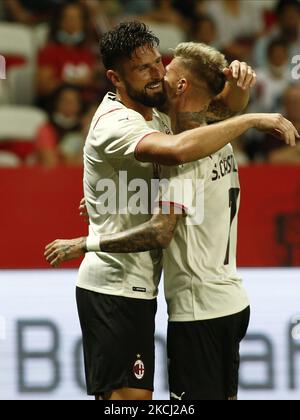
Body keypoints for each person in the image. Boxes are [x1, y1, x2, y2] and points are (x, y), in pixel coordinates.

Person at [44, 22, 298, 401]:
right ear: (115, 77)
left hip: (170, 297)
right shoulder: (124, 124)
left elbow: (210, 112)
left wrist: (238, 91)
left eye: (159, 64)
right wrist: (251, 118)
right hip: (116, 288)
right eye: (143, 69)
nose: (157, 74)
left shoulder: (167, 119)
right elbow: (182, 146)